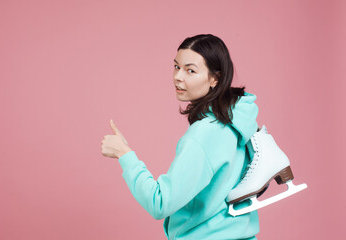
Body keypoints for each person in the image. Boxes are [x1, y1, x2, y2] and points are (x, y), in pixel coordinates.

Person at [101, 34, 260, 240]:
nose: (178, 76)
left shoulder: (204, 134)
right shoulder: (236, 122)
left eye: (190, 70)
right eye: (176, 67)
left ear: (215, 79)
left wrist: (124, 153)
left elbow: (160, 203)